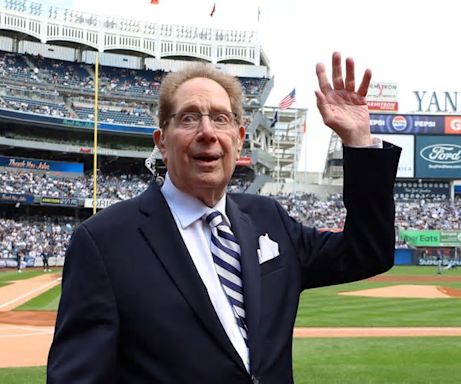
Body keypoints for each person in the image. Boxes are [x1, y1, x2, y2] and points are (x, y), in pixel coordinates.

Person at [48, 52, 401, 383]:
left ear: (239, 138)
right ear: (161, 141)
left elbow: (367, 252)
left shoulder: (269, 219)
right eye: (188, 118)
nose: (207, 132)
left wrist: (358, 143)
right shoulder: (105, 242)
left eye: (220, 118)